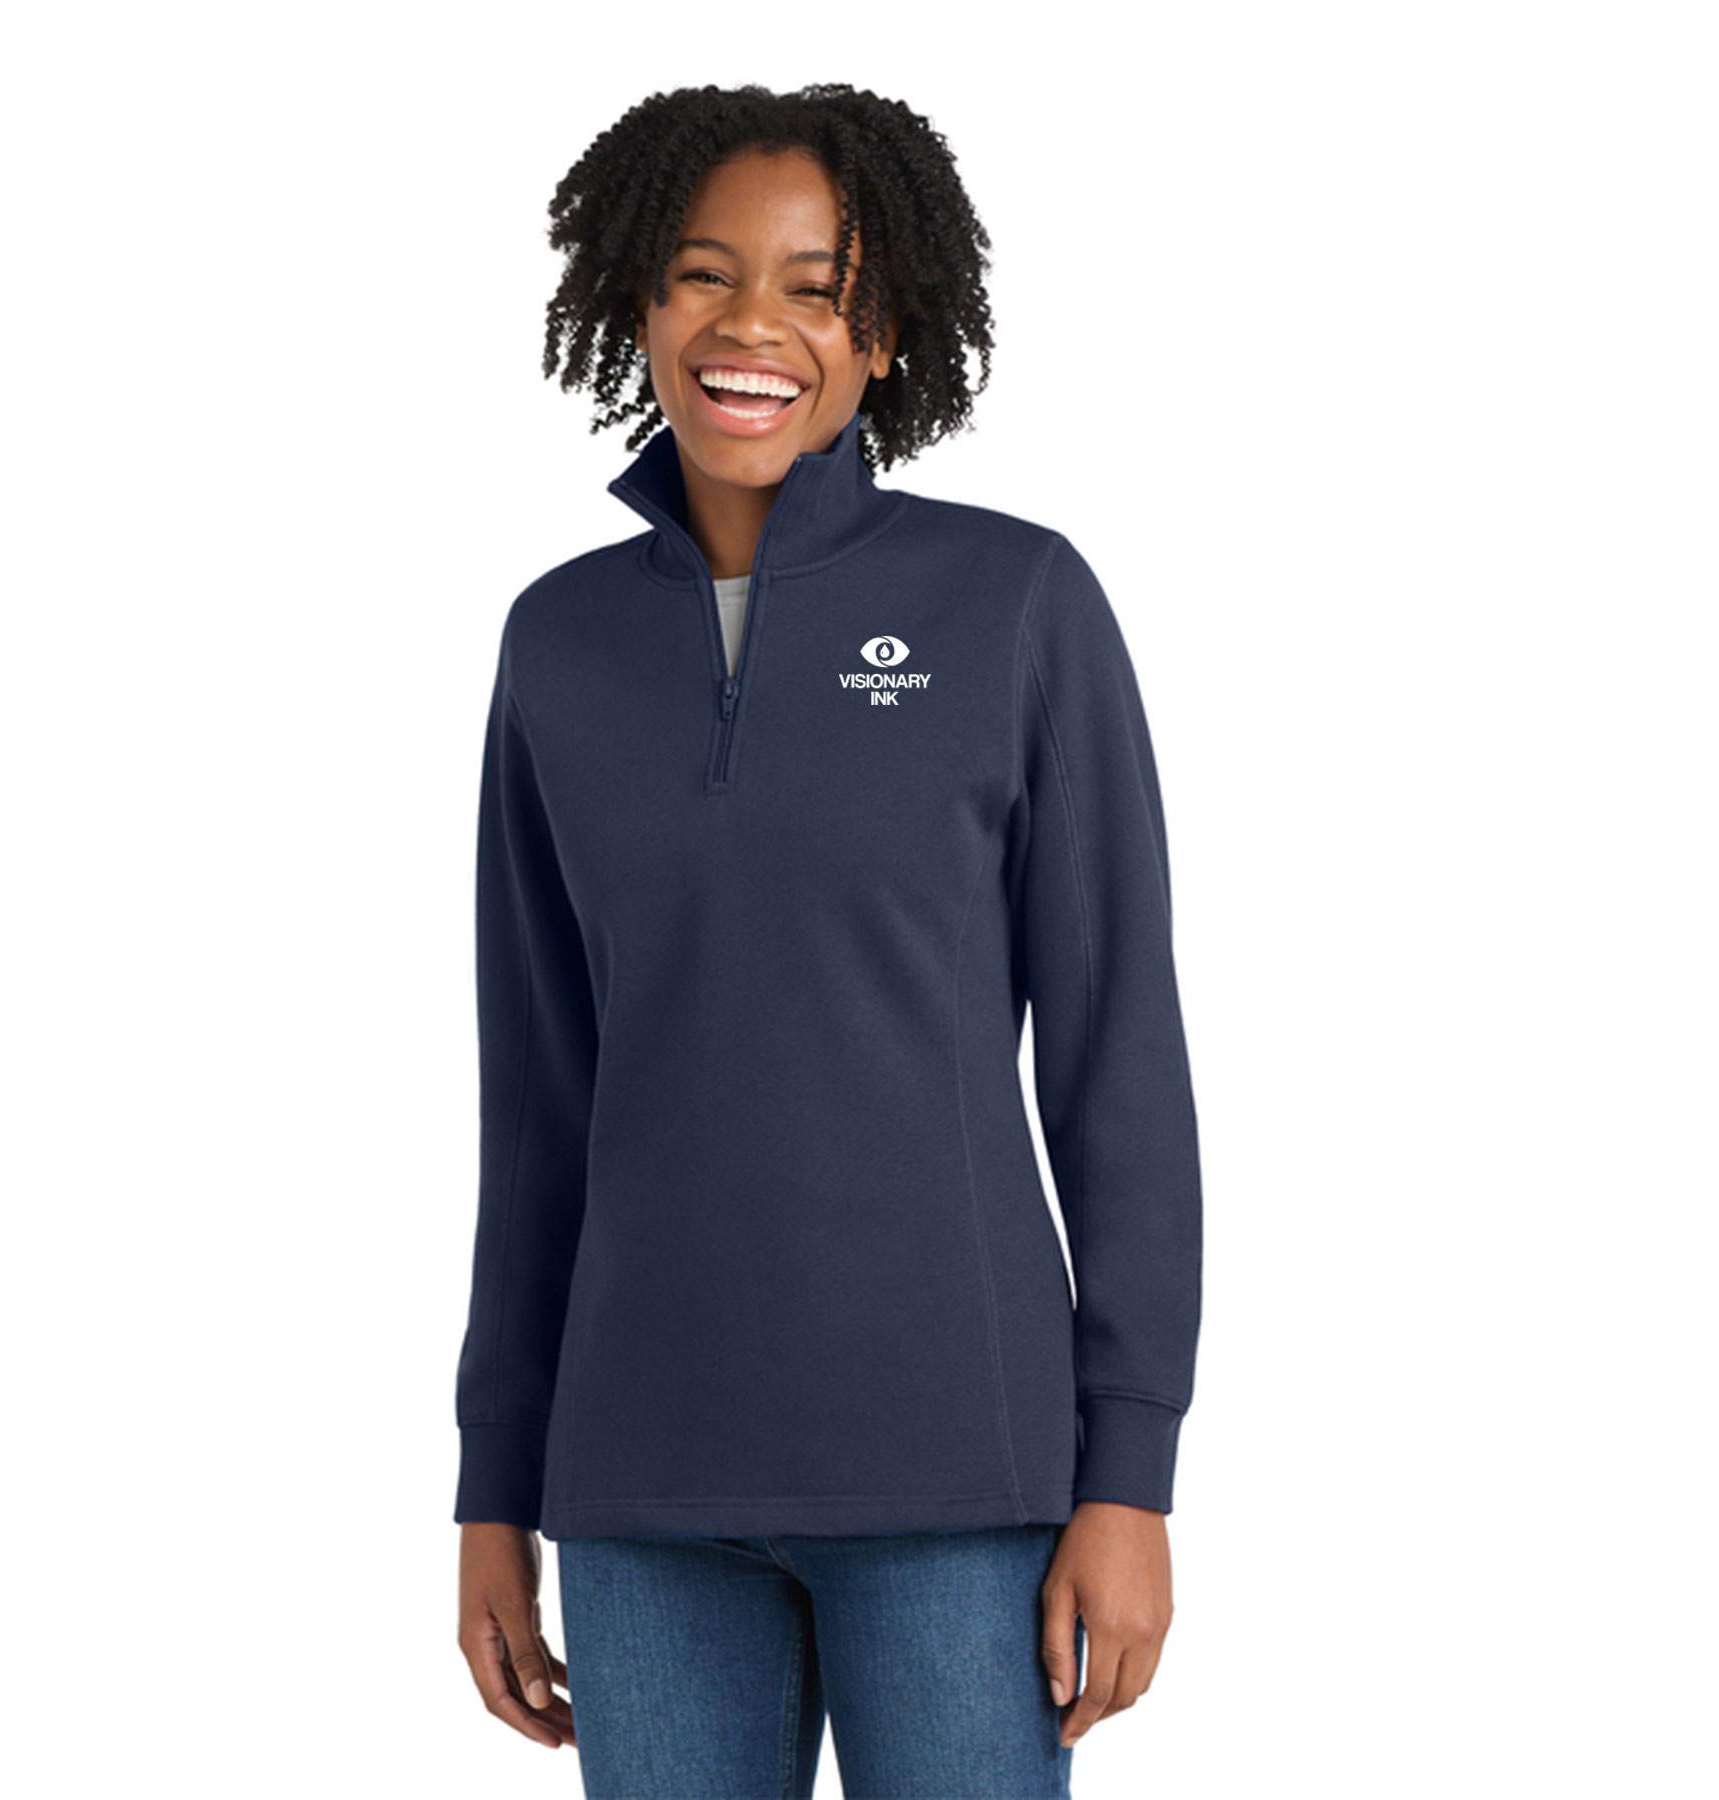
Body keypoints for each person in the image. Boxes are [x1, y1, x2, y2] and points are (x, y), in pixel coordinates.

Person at [453, 82, 1204, 1799]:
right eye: (704, 275)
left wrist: (1131, 1474)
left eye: (818, 288)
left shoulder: (1014, 603)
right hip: (641, 1492)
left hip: (958, 1478)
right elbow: (539, 1101)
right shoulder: (557, 642)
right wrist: (496, 1487)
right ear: (638, 302)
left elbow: (1118, 1067)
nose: (753, 327)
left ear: (886, 336)